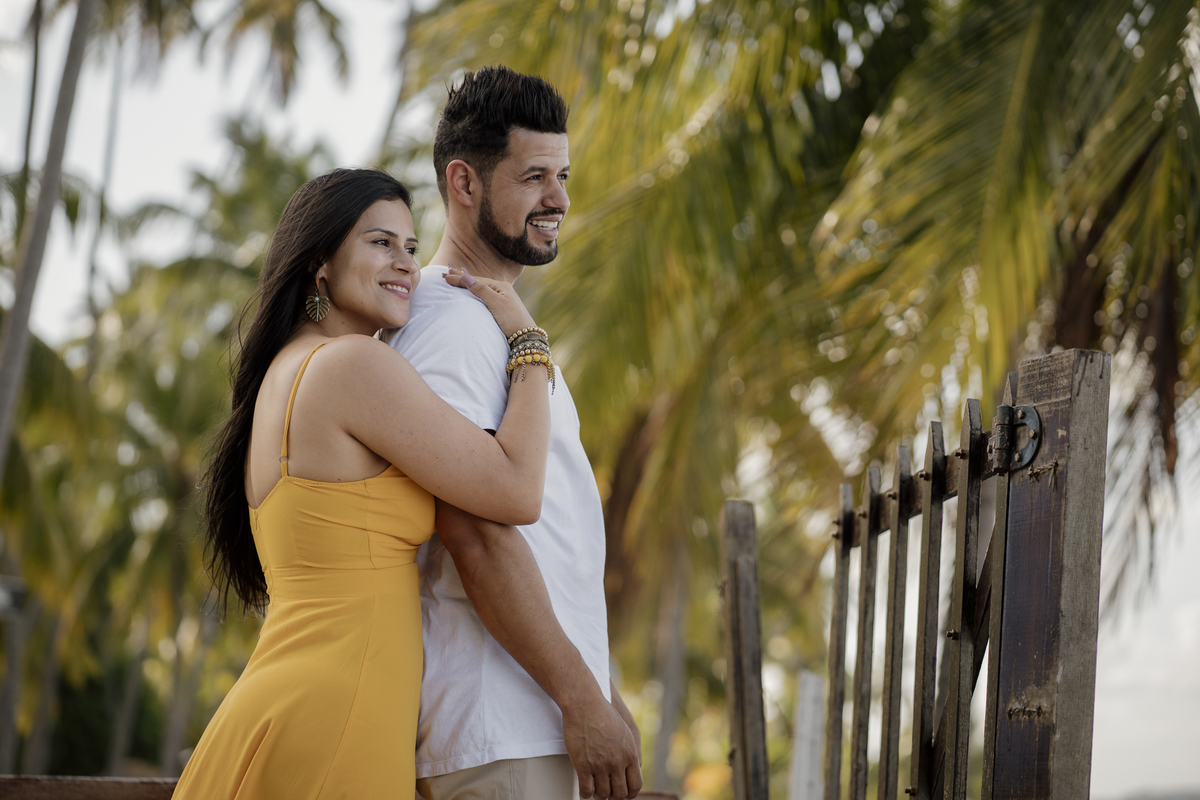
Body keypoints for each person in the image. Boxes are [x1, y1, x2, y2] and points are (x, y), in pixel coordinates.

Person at [173, 168, 554, 800]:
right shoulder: (351, 365)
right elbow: (517, 488)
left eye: (411, 246)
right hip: (343, 705)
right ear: (320, 263)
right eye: (381, 243)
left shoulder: (280, 376)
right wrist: (527, 340)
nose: (406, 264)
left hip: (293, 696)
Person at [389, 67, 643, 800]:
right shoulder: (448, 328)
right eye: (535, 177)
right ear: (464, 183)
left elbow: (550, 542)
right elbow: (477, 533)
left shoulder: (496, 324)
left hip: (534, 727)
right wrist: (579, 698)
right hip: (500, 734)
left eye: (562, 174)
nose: (559, 199)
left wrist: (599, 691)